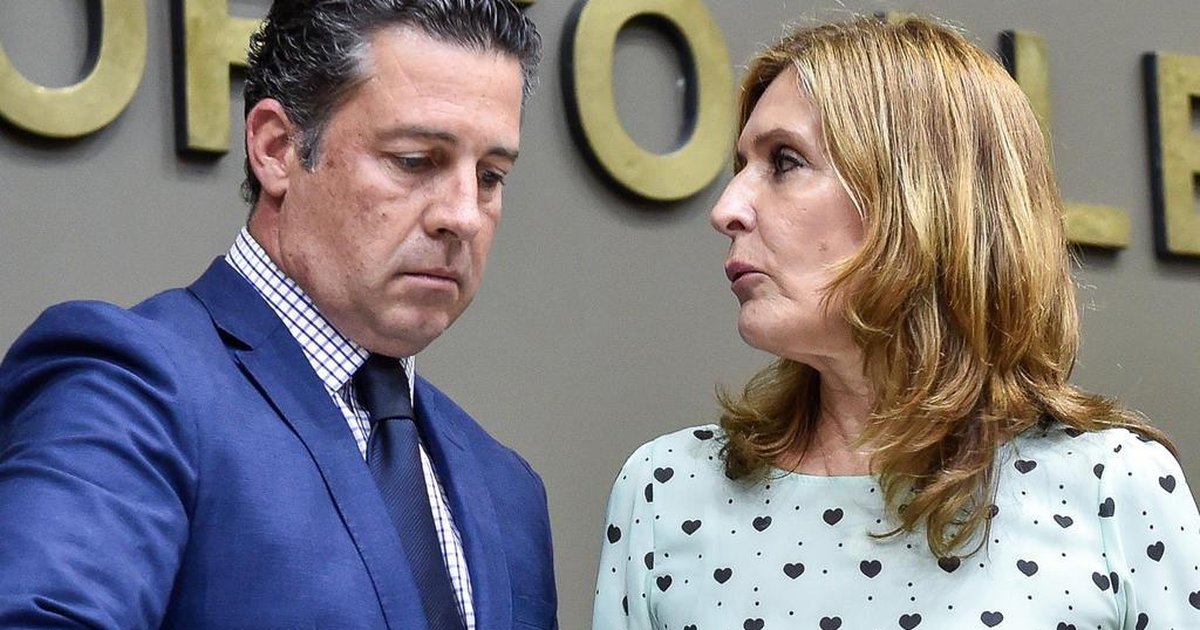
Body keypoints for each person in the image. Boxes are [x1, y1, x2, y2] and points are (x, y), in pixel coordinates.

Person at [594, 15, 1200, 630]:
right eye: (741, 166)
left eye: (785, 161)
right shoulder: (666, 490)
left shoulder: (1113, 488)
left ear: (922, 201)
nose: (727, 208)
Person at [0, 1, 557, 628]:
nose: (463, 214)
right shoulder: (129, 385)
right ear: (276, 148)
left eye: (490, 176)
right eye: (415, 160)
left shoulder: (507, 488)